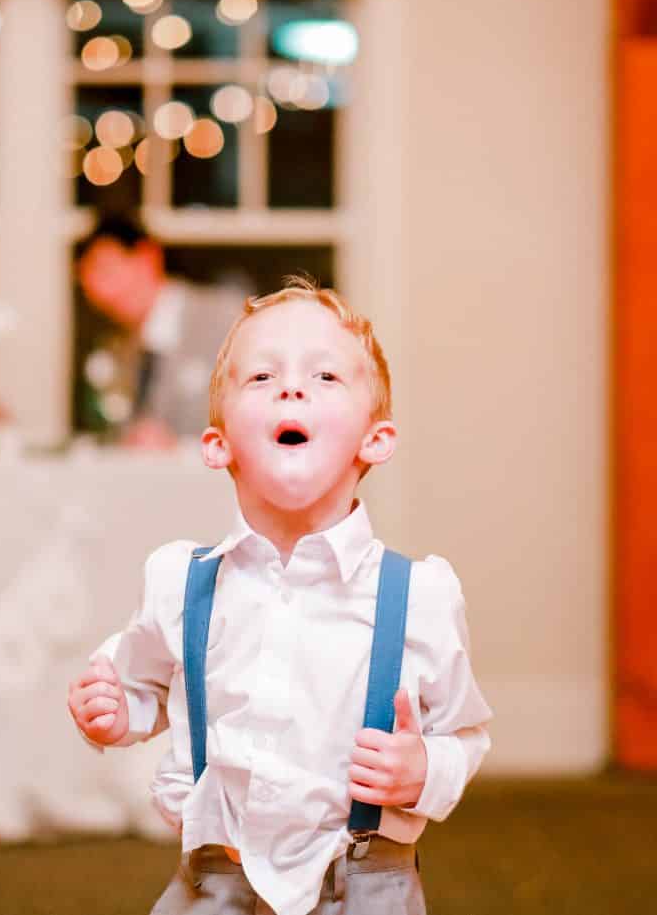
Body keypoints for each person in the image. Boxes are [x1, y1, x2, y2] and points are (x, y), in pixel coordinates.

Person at [67, 277, 492, 915]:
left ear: (374, 439)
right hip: (214, 883)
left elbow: (464, 735)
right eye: (262, 378)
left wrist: (424, 768)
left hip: (366, 886)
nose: (292, 387)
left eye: (325, 378)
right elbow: (144, 683)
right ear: (219, 445)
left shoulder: (419, 596)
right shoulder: (180, 581)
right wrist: (115, 708)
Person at [76, 216, 245, 448]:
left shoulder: (227, 321)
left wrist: (180, 445)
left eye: (107, 271)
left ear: (148, 257)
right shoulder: (116, 350)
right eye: (89, 280)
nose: (103, 290)